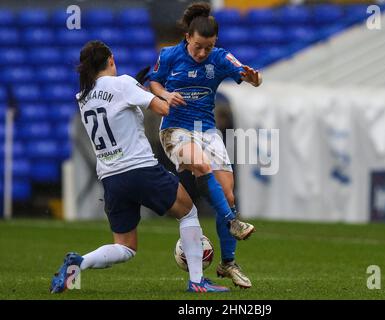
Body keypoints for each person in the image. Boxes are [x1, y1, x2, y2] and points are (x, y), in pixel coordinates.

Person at [49, 40, 230, 294]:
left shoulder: (83, 96)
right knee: (188, 212)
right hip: (140, 169)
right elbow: (163, 108)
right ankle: (197, 282)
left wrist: (137, 89)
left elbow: (112, 106)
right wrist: (161, 92)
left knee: (125, 247)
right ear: (111, 59)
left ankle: (80, 263)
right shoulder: (123, 83)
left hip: (111, 178)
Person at [146, 2, 262, 289]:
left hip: (207, 130)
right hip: (175, 129)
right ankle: (234, 223)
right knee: (200, 164)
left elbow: (248, 75)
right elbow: (153, 83)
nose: (202, 53)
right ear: (188, 37)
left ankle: (228, 263)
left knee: (228, 195)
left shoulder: (220, 58)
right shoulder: (170, 55)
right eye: (198, 46)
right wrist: (166, 95)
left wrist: (254, 78)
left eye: (207, 47)